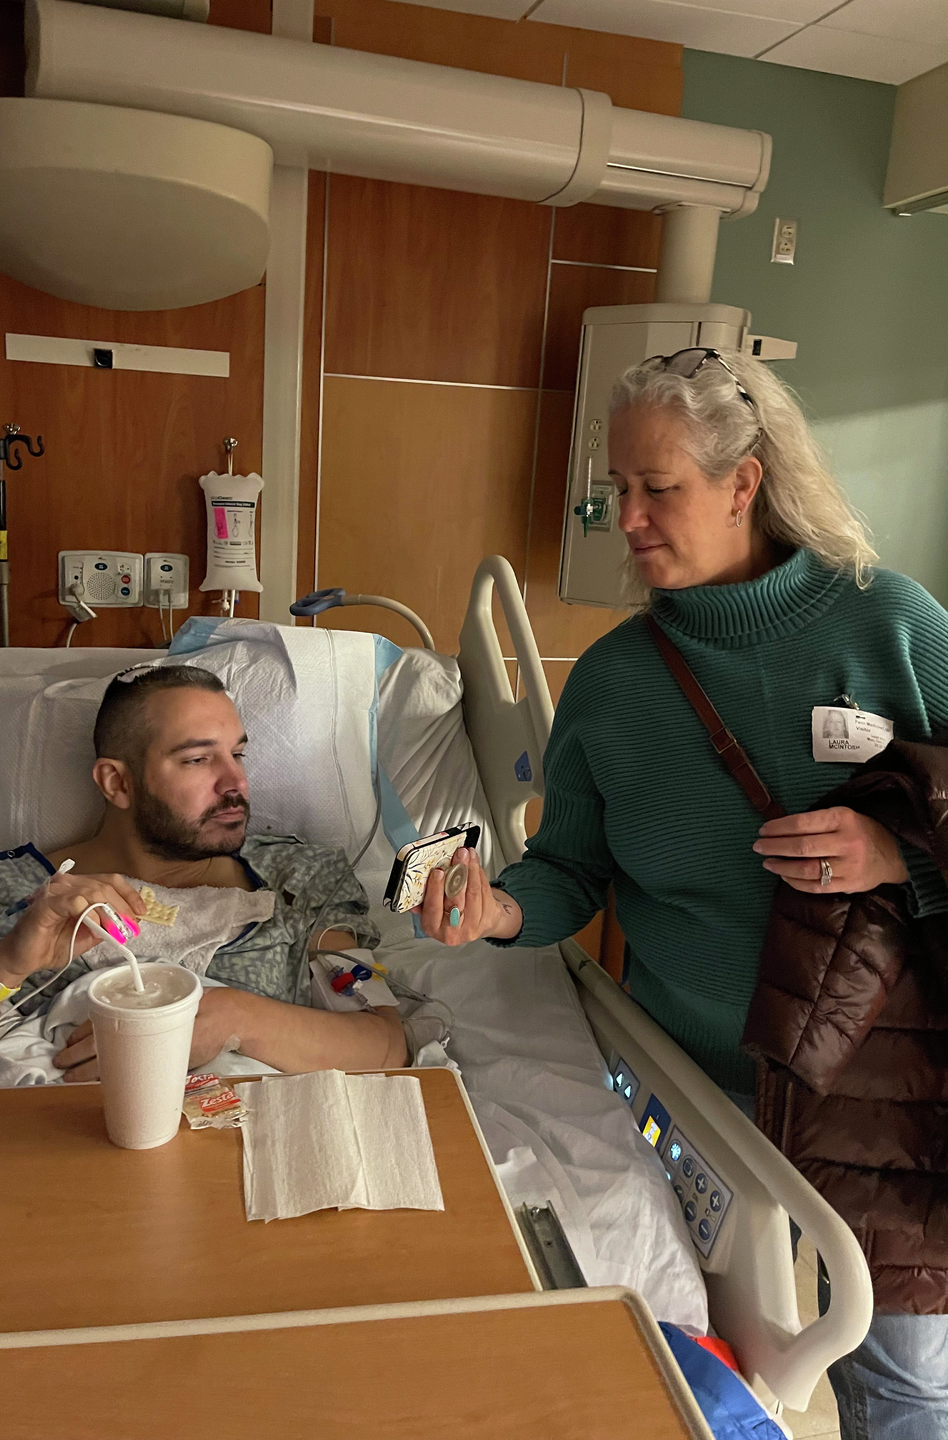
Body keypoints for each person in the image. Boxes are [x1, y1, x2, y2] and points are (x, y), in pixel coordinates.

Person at [419, 348, 948, 1438]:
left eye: (658, 488)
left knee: (901, 1379)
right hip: (694, 1091)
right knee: (699, 1368)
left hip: (875, 1084)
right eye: (618, 488)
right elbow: (570, 868)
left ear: (743, 482)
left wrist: (901, 858)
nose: (629, 519)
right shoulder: (616, 684)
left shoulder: (889, 625)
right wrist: (500, 910)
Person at [0, 665, 406, 1090]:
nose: (236, 783)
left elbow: (383, 1045)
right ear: (117, 783)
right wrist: (3, 965)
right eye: (198, 760)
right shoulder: (12, 893)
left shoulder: (298, 880)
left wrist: (231, 1017)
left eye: (238, 754)